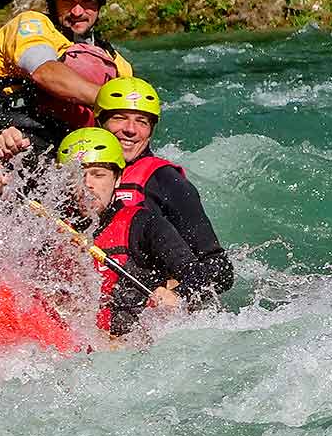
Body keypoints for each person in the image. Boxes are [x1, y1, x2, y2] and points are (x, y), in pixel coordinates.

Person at [0, 0, 137, 173]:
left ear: (99, 7)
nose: (77, 11)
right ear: (53, 2)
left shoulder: (116, 61)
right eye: (68, 1)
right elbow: (44, 71)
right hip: (11, 137)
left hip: (76, 149)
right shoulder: (31, 25)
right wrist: (111, 99)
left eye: (87, 2)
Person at [51, 127, 218, 336]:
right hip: (77, 344)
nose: (87, 184)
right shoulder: (51, 227)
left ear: (118, 179)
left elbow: (199, 277)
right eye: (76, 175)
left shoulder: (144, 224)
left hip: (133, 347)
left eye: (98, 175)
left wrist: (177, 295)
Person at [93, 77, 235, 296]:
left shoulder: (166, 181)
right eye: (119, 118)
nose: (131, 130)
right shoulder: (77, 173)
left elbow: (220, 269)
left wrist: (179, 295)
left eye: (142, 121)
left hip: (146, 306)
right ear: (99, 121)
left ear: (151, 130)